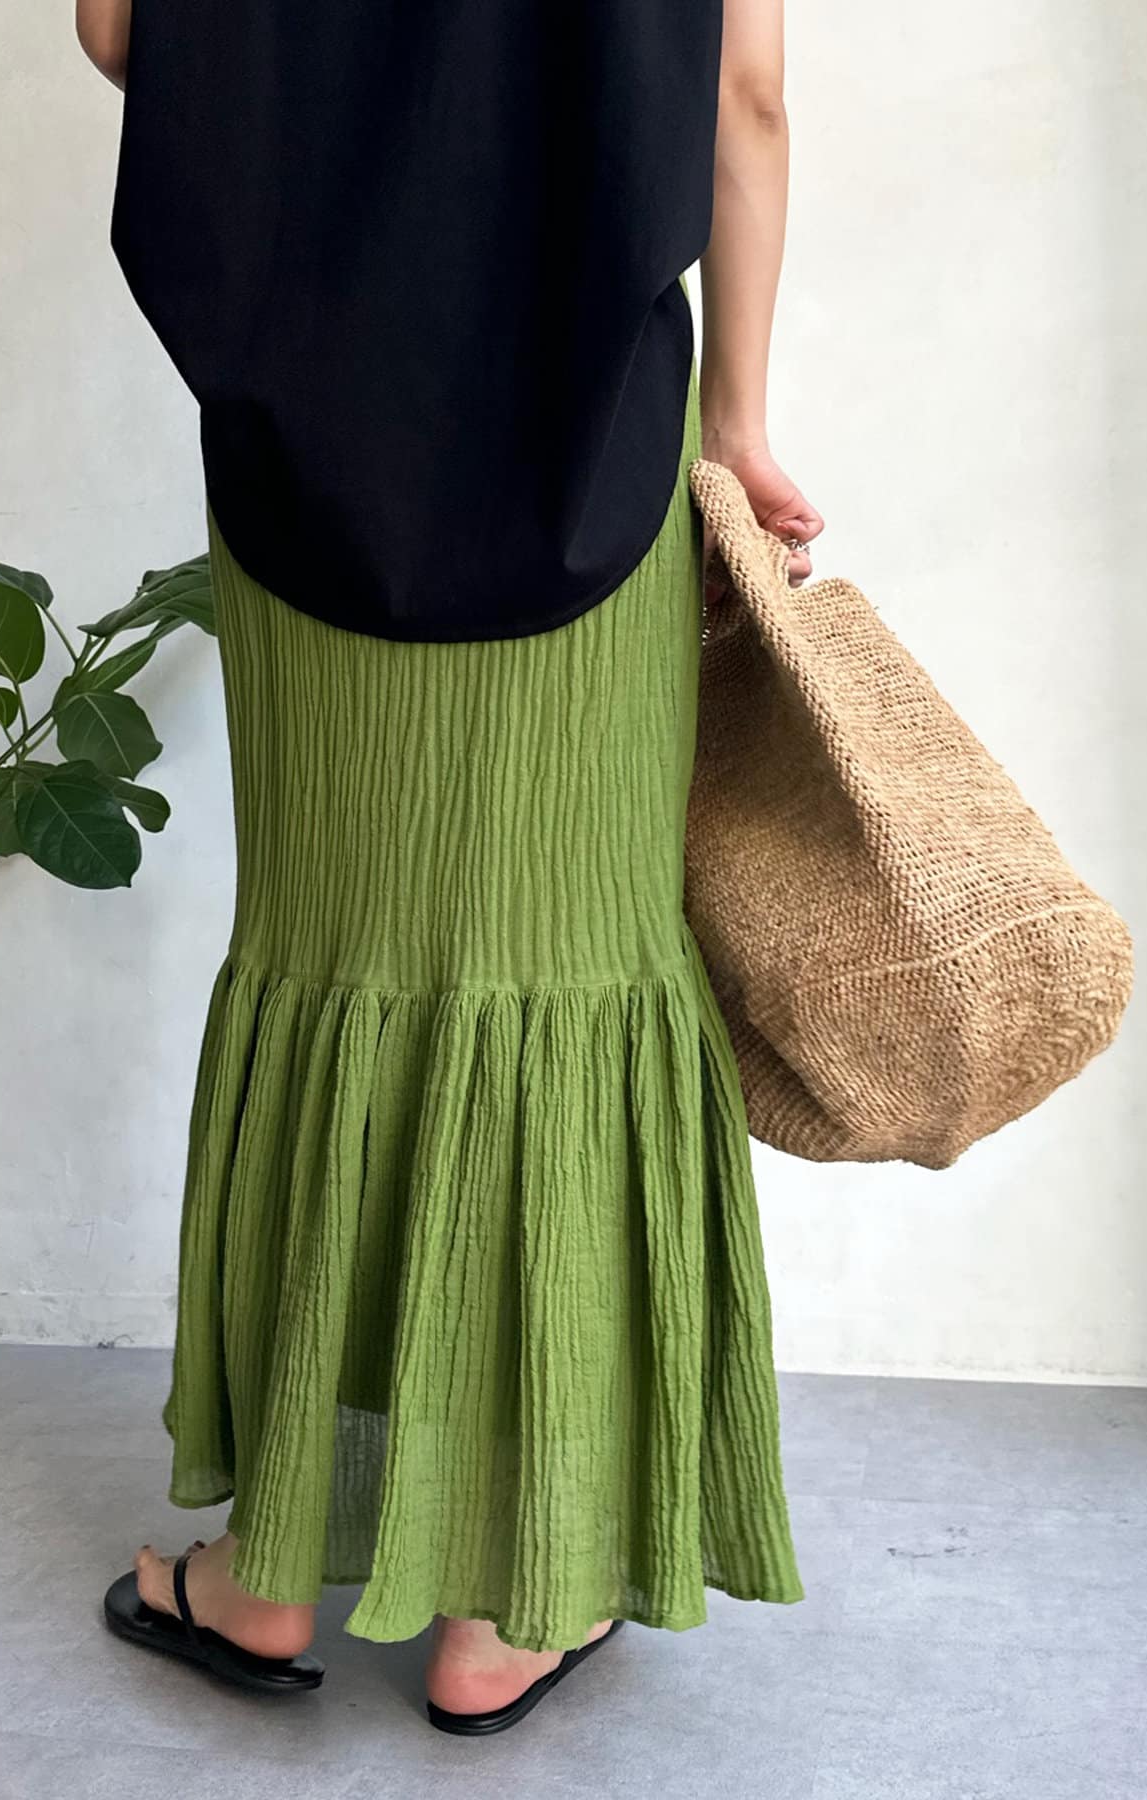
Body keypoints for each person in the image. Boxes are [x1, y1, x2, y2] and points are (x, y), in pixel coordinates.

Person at [79, 0, 822, 1736]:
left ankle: (270, 1569)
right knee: (559, 969)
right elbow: (747, 91)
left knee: (335, 962)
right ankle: (509, 1603)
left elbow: (122, 33)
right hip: (593, 452)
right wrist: (737, 420)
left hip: (306, 455)